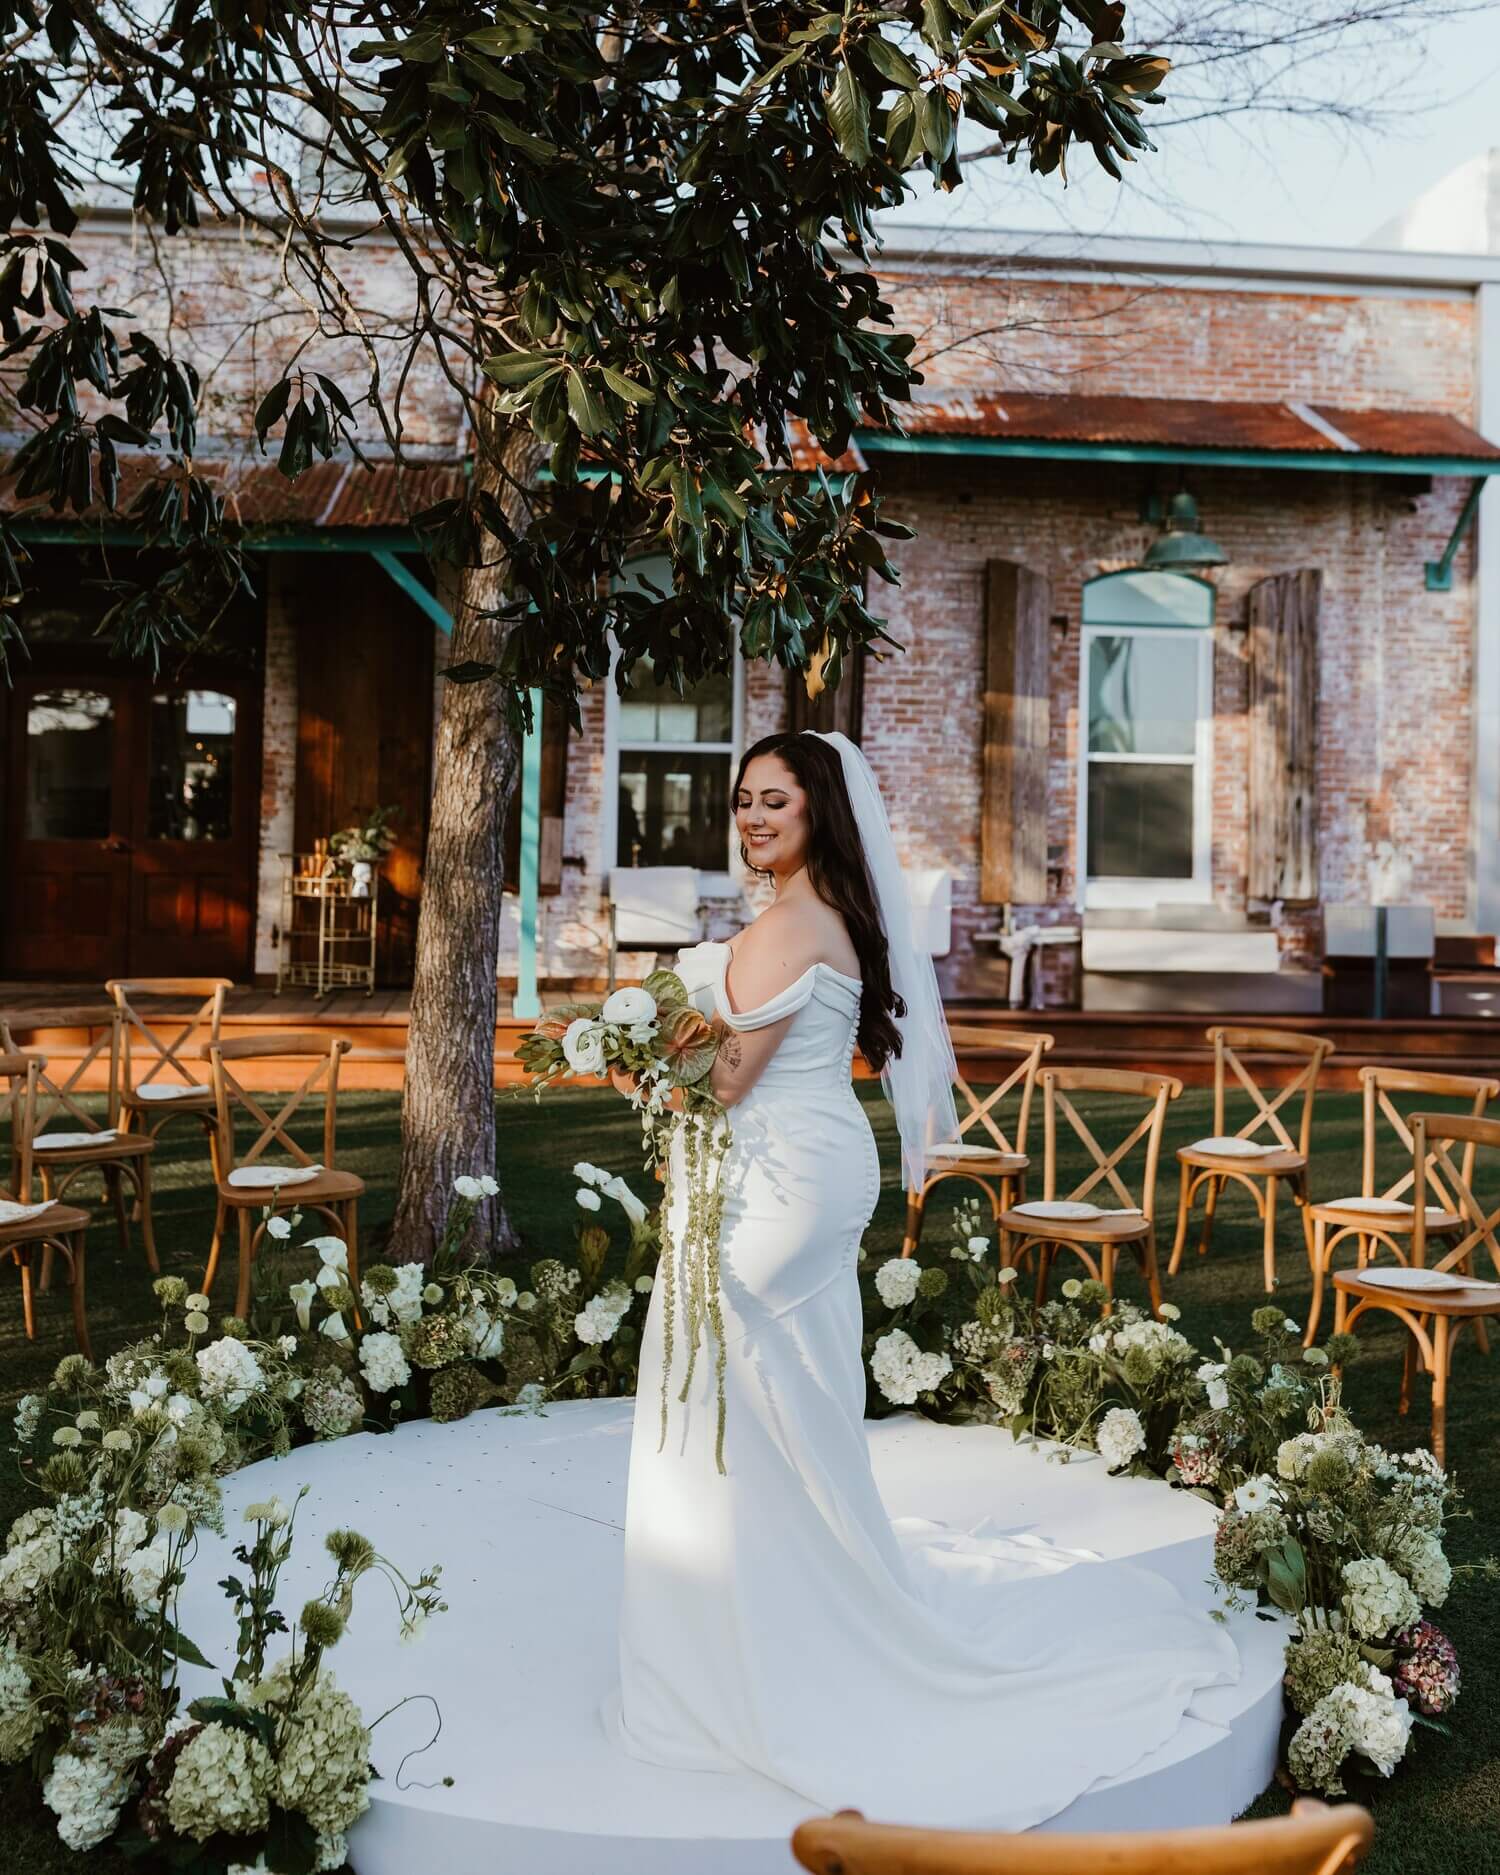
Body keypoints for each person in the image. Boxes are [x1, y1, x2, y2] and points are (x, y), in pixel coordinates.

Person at [602, 729, 1239, 1830]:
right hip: (799, 1170)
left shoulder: (794, 922)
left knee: (729, 1386)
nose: (752, 818)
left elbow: (726, 1075)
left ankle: (763, 1624)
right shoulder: (825, 916)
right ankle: (784, 1585)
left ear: (819, 812)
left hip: (774, 1184)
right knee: (781, 1396)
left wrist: (622, 1056)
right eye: (744, 799)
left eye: (775, 802)